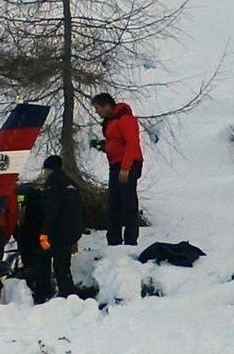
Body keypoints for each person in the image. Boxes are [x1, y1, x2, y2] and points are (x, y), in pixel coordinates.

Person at [17, 156, 85, 302]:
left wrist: (44, 232)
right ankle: (67, 293)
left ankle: (47, 293)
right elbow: (81, 208)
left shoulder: (52, 184)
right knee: (63, 263)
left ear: (49, 169)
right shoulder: (72, 184)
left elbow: (52, 210)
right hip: (72, 231)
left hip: (57, 231)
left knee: (44, 257)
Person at [91, 92, 146, 245]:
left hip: (127, 165)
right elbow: (117, 143)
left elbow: (132, 143)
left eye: (97, 109)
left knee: (128, 203)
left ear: (106, 106)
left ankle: (130, 241)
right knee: (114, 203)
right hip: (116, 164)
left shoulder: (124, 119)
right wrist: (104, 146)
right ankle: (114, 240)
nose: (97, 112)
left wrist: (126, 168)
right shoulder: (111, 121)